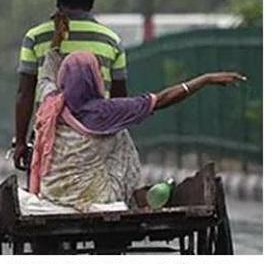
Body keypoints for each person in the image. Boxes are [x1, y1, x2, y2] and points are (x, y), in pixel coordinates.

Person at [28, 15, 245, 211]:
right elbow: (162, 99)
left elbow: (46, 74)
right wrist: (205, 79)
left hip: (54, 192)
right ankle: (138, 196)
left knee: (113, 134)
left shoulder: (50, 103)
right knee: (120, 134)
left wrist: (57, 39)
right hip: (96, 195)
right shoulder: (107, 111)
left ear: (64, 78)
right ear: (95, 78)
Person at [14, 0, 127, 170]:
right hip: (97, 142)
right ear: (91, 0)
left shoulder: (35, 38)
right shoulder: (112, 41)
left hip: (48, 143)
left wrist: (20, 142)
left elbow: (25, 94)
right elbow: (119, 100)